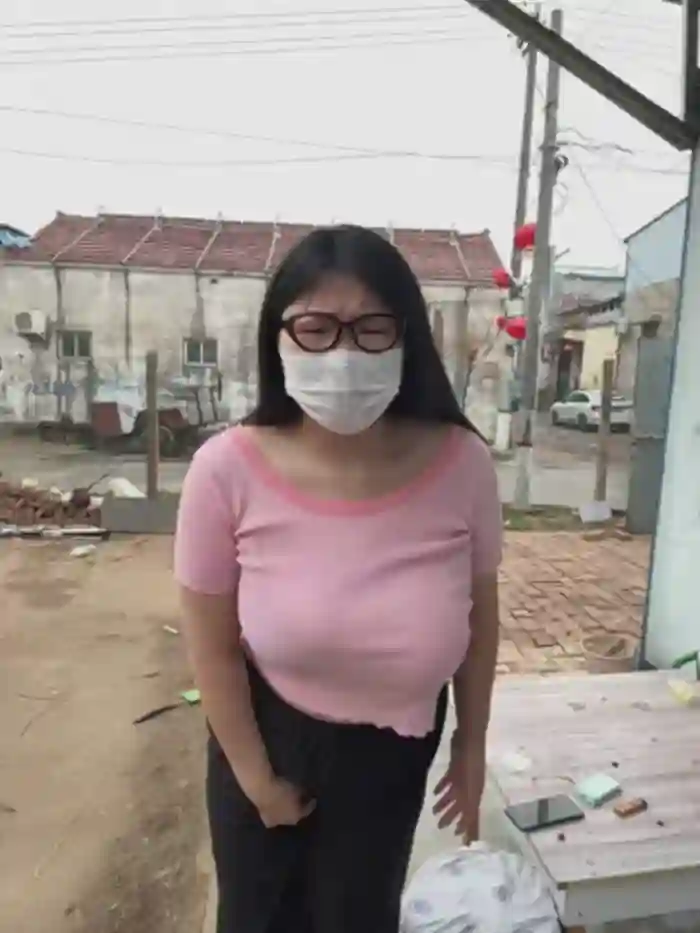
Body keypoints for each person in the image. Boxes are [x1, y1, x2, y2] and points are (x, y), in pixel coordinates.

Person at [174, 224, 503, 933]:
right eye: (316, 329)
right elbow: (212, 646)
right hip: (268, 740)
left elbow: (481, 620)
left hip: (396, 754)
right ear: (278, 338)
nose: (344, 355)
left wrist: (471, 745)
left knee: (361, 916)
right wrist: (257, 780)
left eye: (372, 328)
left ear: (408, 337)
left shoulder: (464, 464)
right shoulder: (224, 470)